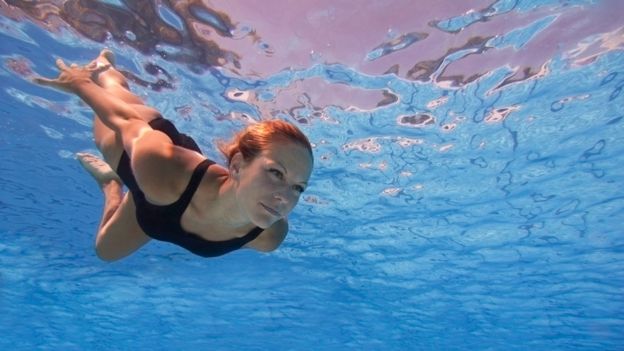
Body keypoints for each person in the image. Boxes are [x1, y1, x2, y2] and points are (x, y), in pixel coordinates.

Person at [34, 50, 313, 261]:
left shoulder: (269, 236)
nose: (285, 198)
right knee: (113, 104)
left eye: (298, 188)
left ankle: (110, 183)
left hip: (161, 195)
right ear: (238, 165)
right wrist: (81, 84)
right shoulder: (163, 167)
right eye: (276, 173)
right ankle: (106, 69)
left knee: (105, 251)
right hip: (152, 159)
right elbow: (126, 119)